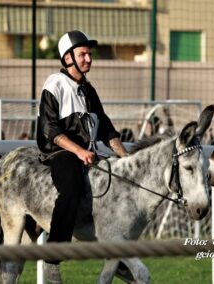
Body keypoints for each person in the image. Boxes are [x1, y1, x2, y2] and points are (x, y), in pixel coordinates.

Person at [37, 30, 128, 283]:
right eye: (83, 54)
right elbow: (50, 129)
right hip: (61, 153)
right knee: (73, 190)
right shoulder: (54, 83)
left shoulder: (89, 89)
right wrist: (78, 150)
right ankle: (53, 259)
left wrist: (126, 157)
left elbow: (107, 129)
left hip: (89, 154)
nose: (89, 59)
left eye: (89, 54)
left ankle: (115, 256)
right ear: (67, 58)